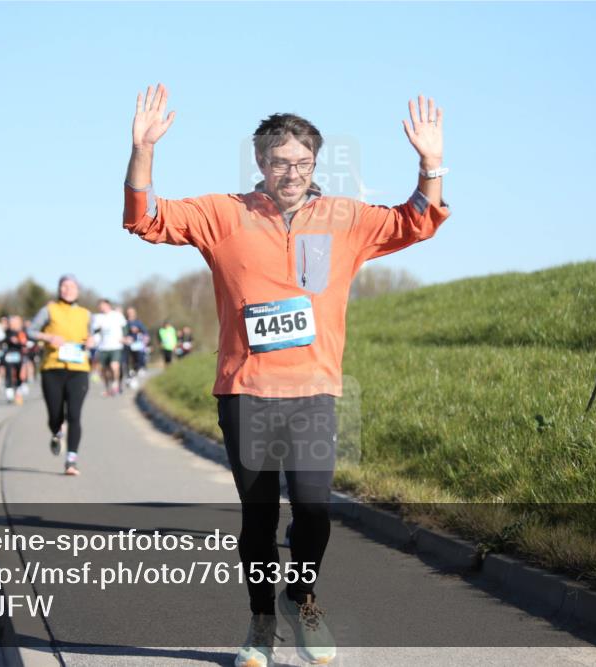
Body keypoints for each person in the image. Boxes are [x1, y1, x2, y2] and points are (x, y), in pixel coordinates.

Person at [123, 83, 450, 666]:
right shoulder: (224, 214)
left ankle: (300, 599)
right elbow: (144, 218)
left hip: (314, 392)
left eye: (302, 162)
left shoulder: (345, 219)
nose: (292, 173)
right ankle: (260, 620)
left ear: (315, 164)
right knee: (258, 518)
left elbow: (417, 222)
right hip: (246, 392)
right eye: (280, 162)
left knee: (315, 510)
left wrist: (430, 163)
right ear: (260, 161)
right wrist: (143, 150)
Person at [27, 275, 92, 475]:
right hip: (52, 368)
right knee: (55, 415)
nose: (67, 289)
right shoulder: (49, 310)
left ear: (78, 290)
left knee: (74, 414)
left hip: (78, 370)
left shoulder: (86, 314)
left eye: (71, 286)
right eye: (64, 286)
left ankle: (71, 460)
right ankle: (57, 432)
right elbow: (30, 331)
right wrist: (48, 337)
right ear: (59, 289)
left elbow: (91, 336)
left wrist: (91, 342)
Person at [90, 299, 127, 396]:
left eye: (104, 305)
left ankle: (115, 385)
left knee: (114, 366)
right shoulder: (97, 317)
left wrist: (124, 337)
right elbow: (94, 331)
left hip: (116, 345)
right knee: (104, 370)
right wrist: (95, 336)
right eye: (100, 306)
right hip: (103, 347)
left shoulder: (117, 315)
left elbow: (124, 327)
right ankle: (107, 389)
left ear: (108, 305)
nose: (102, 308)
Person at [2, 314, 28, 405]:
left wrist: (18, 341)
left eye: (15, 322)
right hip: (8, 356)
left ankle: (18, 392)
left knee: (18, 374)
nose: (12, 324)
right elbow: (1, 341)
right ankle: (9, 394)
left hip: (18, 355)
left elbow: (24, 343)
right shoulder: (6, 332)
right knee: (8, 374)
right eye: (11, 322)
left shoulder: (21, 332)